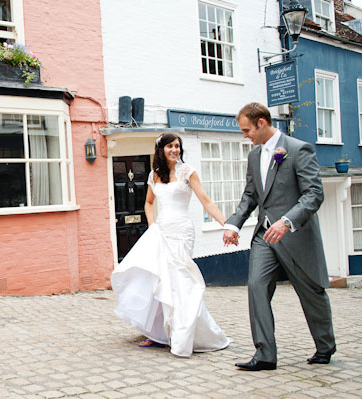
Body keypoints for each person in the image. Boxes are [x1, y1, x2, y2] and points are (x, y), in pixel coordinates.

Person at [223, 102, 336, 371]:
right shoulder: (253, 156)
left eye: (247, 130)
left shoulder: (298, 150)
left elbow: (313, 195)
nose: (245, 135)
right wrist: (234, 225)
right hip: (265, 235)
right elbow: (250, 196)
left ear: (262, 123)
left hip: (295, 235)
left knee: (311, 292)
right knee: (256, 286)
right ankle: (265, 354)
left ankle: (325, 346)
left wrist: (287, 222)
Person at [111, 133, 232, 357]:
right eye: (170, 146)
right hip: (162, 231)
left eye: (177, 146)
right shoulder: (154, 175)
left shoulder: (188, 172)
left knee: (181, 283)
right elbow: (148, 203)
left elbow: (205, 201)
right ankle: (158, 333)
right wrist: (152, 224)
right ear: (162, 149)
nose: (175, 150)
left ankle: (184, 334)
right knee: (159, 280)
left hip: (182, 232)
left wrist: (228, 224)